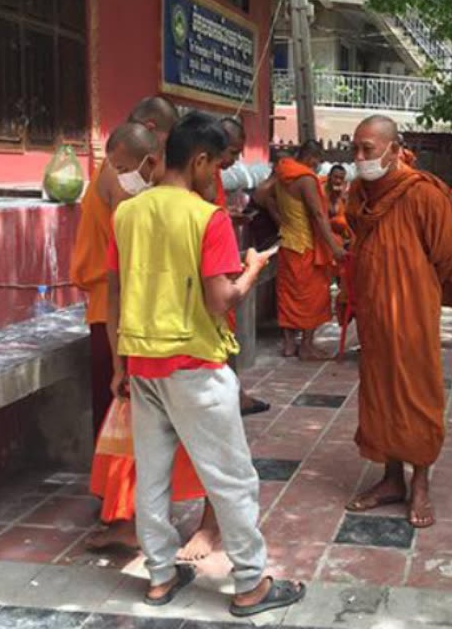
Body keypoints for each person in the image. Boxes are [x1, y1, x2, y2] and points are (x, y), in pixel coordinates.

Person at [108, 111, 305, 615]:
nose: (216, 176)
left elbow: (115, 293)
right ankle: (248, 584)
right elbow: (222, 300)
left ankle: (158, 576)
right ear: (198, 161)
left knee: (152, 476)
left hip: (141, 363)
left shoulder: (127, 213)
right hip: (194, 363)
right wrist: (254, 269)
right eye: (216, 165)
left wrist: (118, 364)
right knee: (233, 478)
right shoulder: (206, 217)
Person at [86, 122, 216, 558]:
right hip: (160, 348)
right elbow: (118, 287)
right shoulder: (147, 209)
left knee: (182, 448)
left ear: (154, 158)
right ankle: (239, 576)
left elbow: (119, 288)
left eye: (123, 166)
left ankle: (173, 554)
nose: (118, 174)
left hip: (167, 345)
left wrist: (121, 360)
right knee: (178, 449)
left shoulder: (157, 210)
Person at [343, 114, 452, 529]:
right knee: (380, 392)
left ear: (395, 150)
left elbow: (449, 255)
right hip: (375, 313)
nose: (360, 158)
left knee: (417, 392)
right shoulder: (359, 192)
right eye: (356, 149)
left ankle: (422, 483)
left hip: (413, 313)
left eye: (368, 150)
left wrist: (413, 281)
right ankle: (391, 479)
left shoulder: (424, 193)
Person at [71, 95, 179, 439]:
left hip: (119, 298)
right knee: (118, 404)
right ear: (150, 130)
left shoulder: (123, 169)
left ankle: (120, 486)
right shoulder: (122, 174)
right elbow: (131, 246)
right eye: (166, 140)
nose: (162, 154)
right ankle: (113, 489)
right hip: (114, 302)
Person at [217, 117, 272, 417]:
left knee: (226, 339)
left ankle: (235, 393)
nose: (235, 161)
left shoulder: (211, 178)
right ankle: (230, 397)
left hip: (222, 271)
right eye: (233, 152)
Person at [274, 140, 346, 359]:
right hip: (305, 245)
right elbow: (317, 214)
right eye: (317, 161)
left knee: (288, 294)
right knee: (313, 295)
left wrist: (280, 219)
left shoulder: (281, 172)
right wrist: (334, 247)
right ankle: (306, 345)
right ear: (312, 158)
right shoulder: (305, 178)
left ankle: (288, 345)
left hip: (286, 242)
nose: (317, 166)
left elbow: (262, 195)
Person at [326, 164, 352, 246]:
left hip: (341, 237)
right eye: (335, 177)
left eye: (341, 178)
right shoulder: (320, 191)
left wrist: (343, 199)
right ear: (329, 176)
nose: (338, 181)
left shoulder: (344, 195)